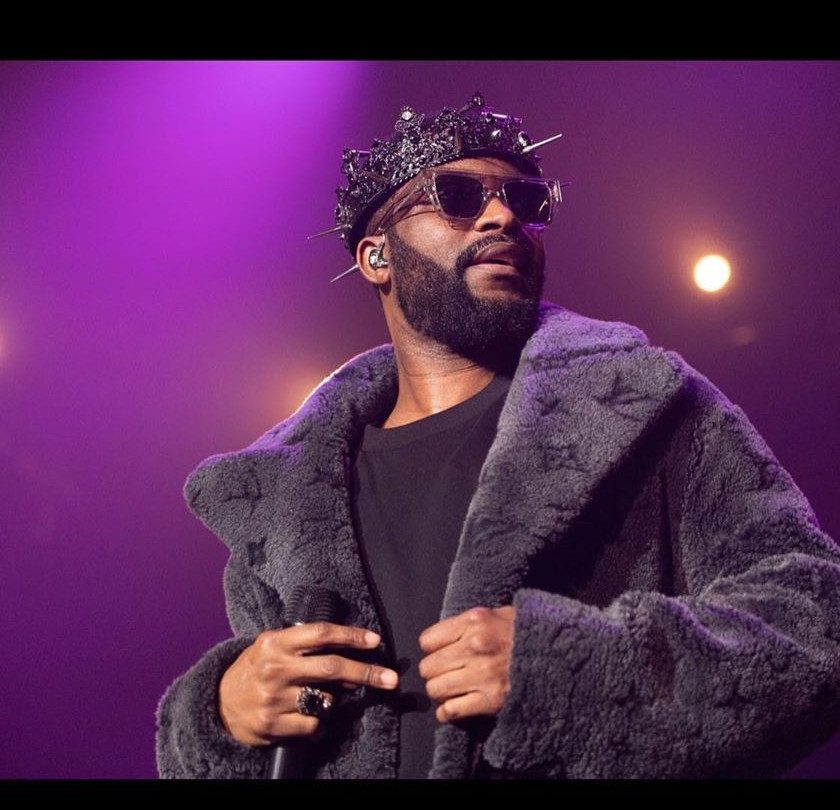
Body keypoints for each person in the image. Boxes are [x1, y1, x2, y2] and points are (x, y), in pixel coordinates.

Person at [155, 92, 840, 779]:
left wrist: (573, 673)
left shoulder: (648, 406)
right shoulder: (286, 498)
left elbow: (818, 619)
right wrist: (221, 714)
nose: (503, 216)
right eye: (455, 196)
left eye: (525, 200)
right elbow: (272, 718)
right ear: (376, 257)